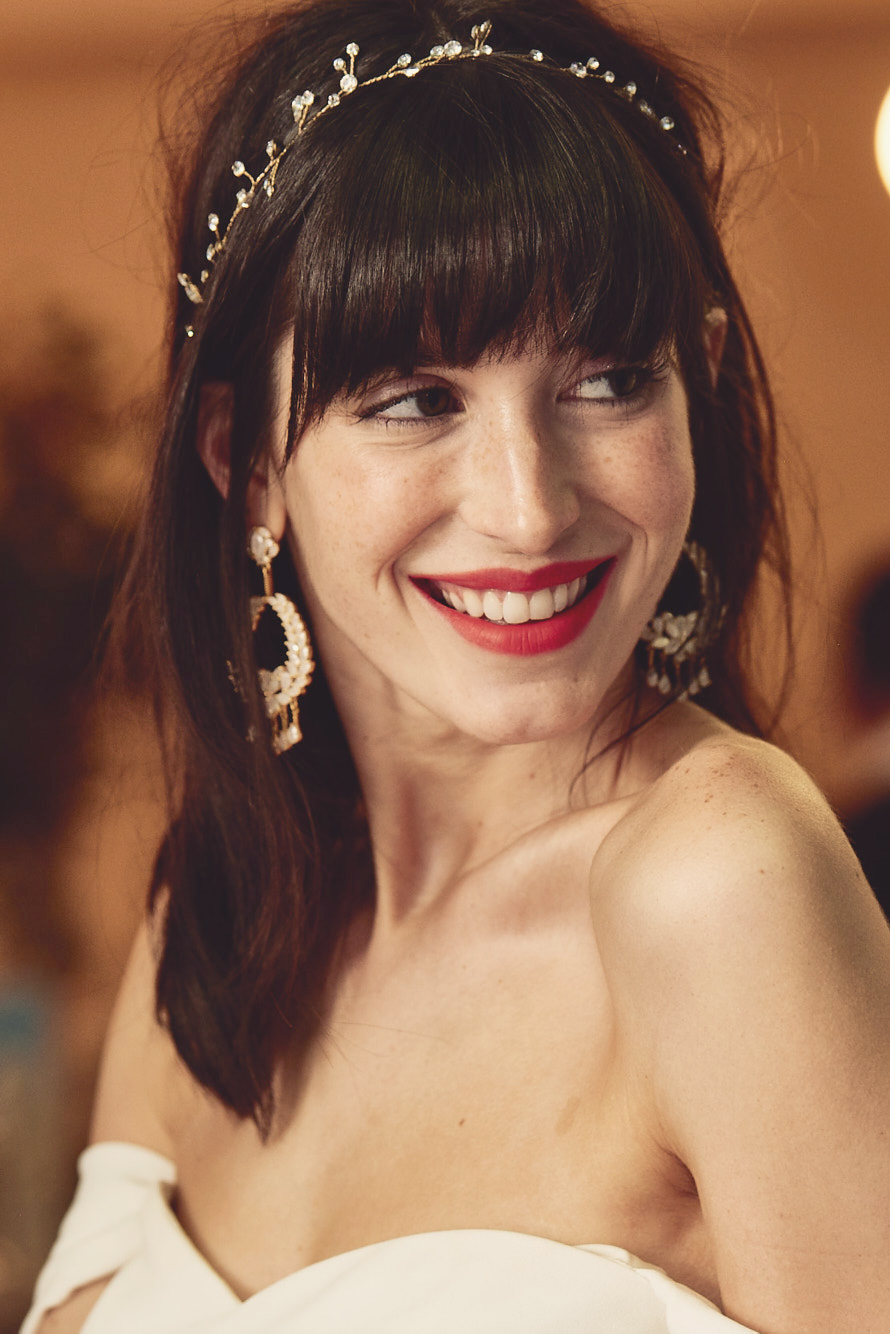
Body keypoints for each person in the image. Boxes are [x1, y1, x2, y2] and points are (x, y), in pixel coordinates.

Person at [23, 0, 890, 1330]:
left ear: (697, 385)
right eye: (416, 400)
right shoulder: (202, 931)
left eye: (606, 379)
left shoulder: (717, 878)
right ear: (243, 459)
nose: (528, 504)